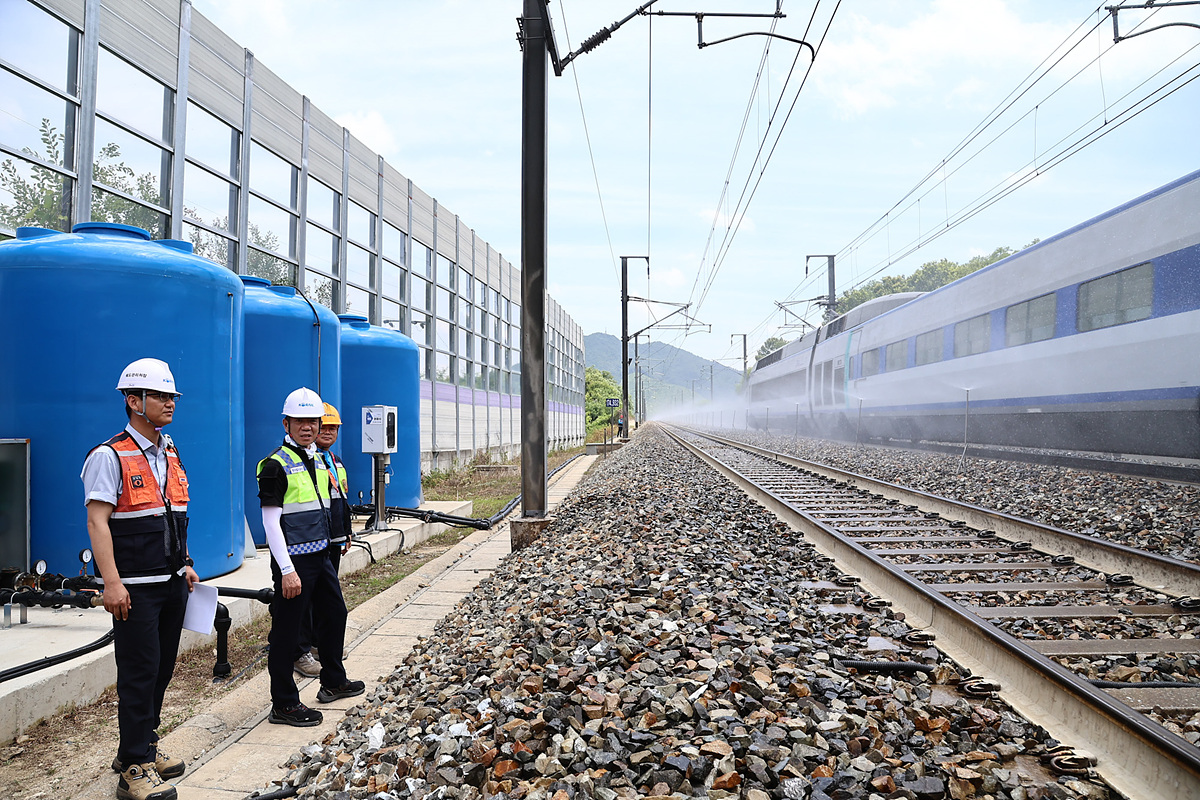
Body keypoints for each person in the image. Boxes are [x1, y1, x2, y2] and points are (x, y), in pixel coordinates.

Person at [82, 358, 197, 800]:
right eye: (161, 396)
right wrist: (111, 582)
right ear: (134, 401)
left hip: (170, 581)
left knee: (162, 669)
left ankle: (142, 745)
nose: (170, 403)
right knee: (139, 671)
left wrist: (185, 561)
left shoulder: (169, 450)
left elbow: (171, 513)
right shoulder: (108, 456)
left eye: (172, 397)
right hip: (134, 588)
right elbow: (98, 523)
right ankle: (134, 768)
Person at [257, 387, 363, 727]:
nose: (308, 427)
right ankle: (284, 703)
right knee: (287, 633)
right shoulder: (275, 464)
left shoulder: (318, 458)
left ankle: (333, 680)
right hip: (295, 563)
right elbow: (270, 522)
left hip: (320, 555)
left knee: (335, 614)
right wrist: (287, 570)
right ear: (286, 423)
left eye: (313, 421)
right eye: (300, 421)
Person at [293, 402, 352, 678]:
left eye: (333, 428)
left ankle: (318, 644)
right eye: (323, 426)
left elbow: (340, 499)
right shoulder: (306, 462)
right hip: (310, 542)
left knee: (327, 600)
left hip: (333, 538)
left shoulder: (335, 461)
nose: (327, 432)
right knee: (304, 602)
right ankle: (301, 650)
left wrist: (346, 532)